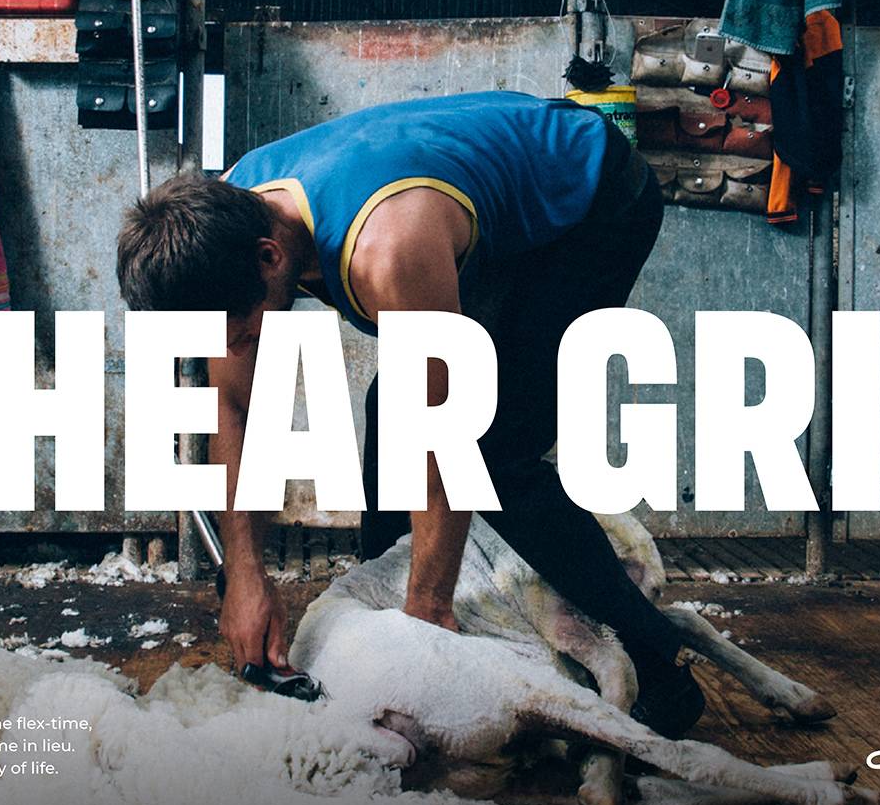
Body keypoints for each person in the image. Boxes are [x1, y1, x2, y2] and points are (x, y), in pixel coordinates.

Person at [115, 90, 704, 737]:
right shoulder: (224, 221)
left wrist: (427, 612)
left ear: (271, 257)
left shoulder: (389, 250)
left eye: (243, 333)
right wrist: (245, 576)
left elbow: (446, 435)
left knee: (495, 453)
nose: (237, 350)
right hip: (475, 198)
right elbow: (234, 405)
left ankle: (658, 666)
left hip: (593, 197)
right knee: (393, 408)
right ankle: (388, 603)